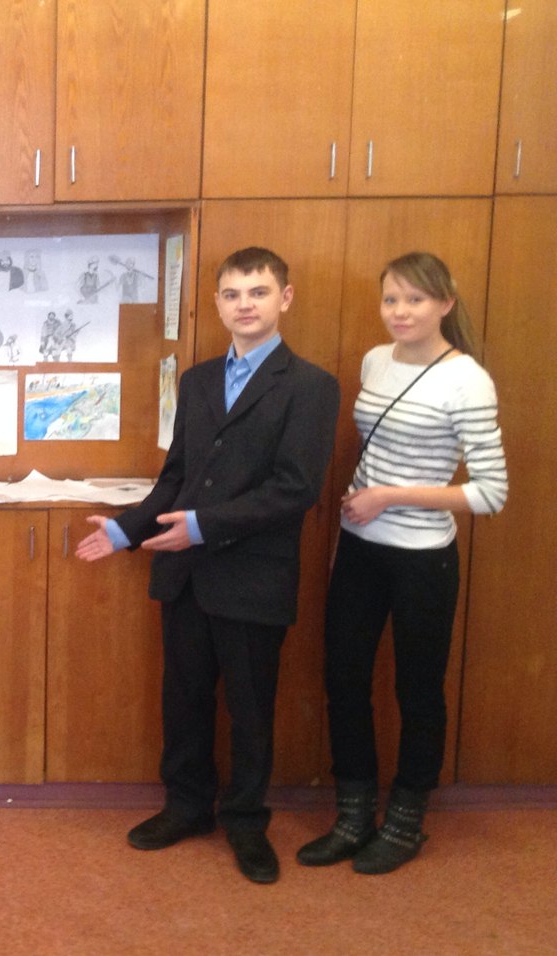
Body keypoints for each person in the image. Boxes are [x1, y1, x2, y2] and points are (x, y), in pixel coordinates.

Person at [76, 247, 339, 885]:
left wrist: (200, 527)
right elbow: (178, 477)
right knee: (184, 699)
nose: (245, 304)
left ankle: (246, 820)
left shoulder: (311, 386)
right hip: (186, 578)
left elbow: (295, 489)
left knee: (251, 708)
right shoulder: (195, 381)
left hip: (253, 577)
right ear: (217, 303)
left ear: (285, 298)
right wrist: (127, 529)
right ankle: (188, 806)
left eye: (258, 291)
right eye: (232, 293)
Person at [297, 252, 507, 875]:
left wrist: (389, 496)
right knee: (344, 681)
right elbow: (374, 450)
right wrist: (356, 514)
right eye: (391, 299)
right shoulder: (375, 361)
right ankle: (354, 815)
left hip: (422, 559)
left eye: (415, 299)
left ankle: (406, 821)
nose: (401, 312)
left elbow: (490, 493)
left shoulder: (467, 380)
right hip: (359, 548)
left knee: (417, 692)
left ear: (445, 303)